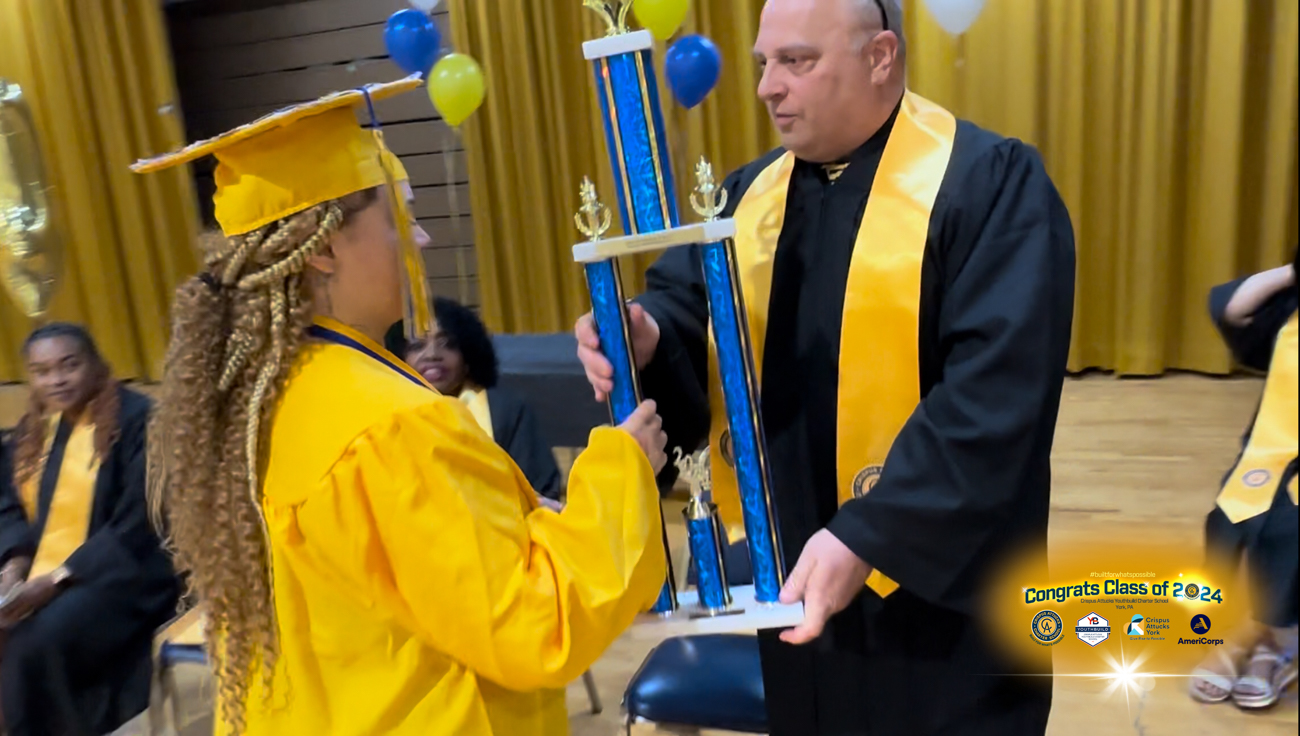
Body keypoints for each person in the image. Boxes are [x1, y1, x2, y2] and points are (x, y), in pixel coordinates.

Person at [575, 0, 1075, 733]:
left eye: (796, 62)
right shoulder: (746, 201)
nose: (767, 88)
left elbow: (998, 394)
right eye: (763, 65)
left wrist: (870, 531)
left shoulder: (989, 185)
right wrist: (646, 338)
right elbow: (681, 305)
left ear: (880, 58)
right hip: (801, 583)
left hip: (945, 603)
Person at [135, 76, 668, 736]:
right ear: (324, 248)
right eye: (398, 217)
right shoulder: (387, 423)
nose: (420, 239)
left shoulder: (270, 394)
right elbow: (535, 624)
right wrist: (622, 472)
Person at [0, 323, 180, 736]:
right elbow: (8, 505)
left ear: (96, 364)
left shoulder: (138, 422)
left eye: (69, 365)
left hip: (126, 574)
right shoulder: (34, 430)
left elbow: (138, 523)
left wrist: (57, 579)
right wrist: (15, 564)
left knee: (36, 641)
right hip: (43, 572)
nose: (56, 380)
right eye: (42, 371)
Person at [1190, 254, 1297, 709]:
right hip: (1275, 445)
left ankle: (1275, 648)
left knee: (1287, 530)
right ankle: (1237, 632)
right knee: (1228, 520)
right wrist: (1295, 272)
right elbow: (1234, 310)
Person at [385, 297, 564, 506]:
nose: (432, 354)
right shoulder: (387, 420)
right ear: (398, 358)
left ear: (468, 355)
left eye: (448, 344)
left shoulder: (504, 410)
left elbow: (539, 490)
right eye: (417, 345)